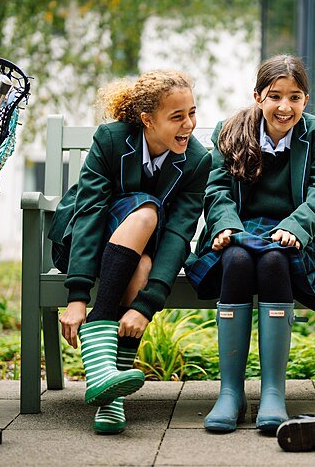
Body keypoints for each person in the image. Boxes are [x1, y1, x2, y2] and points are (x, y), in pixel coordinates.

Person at [186, 55, 315, 434]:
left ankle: (272, 393)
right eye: (275, 96)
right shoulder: (231, 131)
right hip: (240, 231)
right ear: (258, 97)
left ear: (305, 100)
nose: (285, 106)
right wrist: (224, 225)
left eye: (295, 97)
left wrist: (296, 227)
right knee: (236, 259)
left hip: (295, 237)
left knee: (273, 262)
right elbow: (216, 190)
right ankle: (230, 393)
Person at [47, 70, 212, 434]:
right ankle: (102, 320)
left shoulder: (197, 161)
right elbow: (90, 211)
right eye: (177, 116)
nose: (189, 124)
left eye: (192, 113)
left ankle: (110, 395)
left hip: (137, 254)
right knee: (146, 208)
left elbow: (178, 235)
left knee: (143, 267)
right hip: (84, 246)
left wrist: (145, 306)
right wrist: (77, 295)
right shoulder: (111, 139)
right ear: (147, 119)